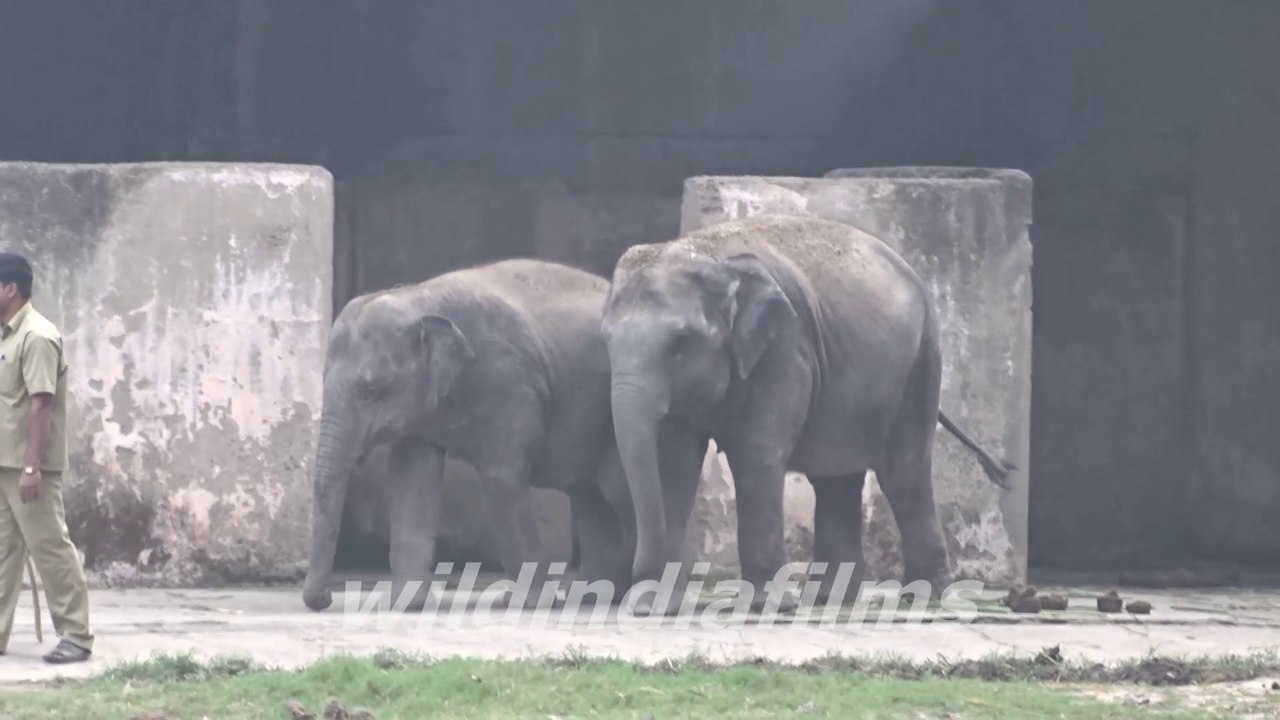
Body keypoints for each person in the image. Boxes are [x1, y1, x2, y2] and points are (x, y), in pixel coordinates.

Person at [0, 253, 93, 664]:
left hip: (28, 467)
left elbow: (42, 405)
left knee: (50, 546)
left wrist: (32, 467)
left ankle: (76, 634)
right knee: (3, 551)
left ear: (9, 289)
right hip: (5, 462)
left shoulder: (37, 336)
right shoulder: (7, 336)